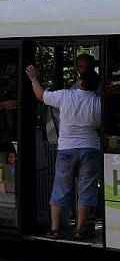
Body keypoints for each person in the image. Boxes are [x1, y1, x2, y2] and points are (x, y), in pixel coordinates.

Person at [26, 64, 101, 240]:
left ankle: (54, 229)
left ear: (80, 81)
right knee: (86, 190)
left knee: (60, 189)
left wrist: (33, 78)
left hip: (66, 148)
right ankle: (80, 230)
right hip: (90, 148)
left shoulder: (65, 95)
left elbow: (40, 95)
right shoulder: (98, 102)